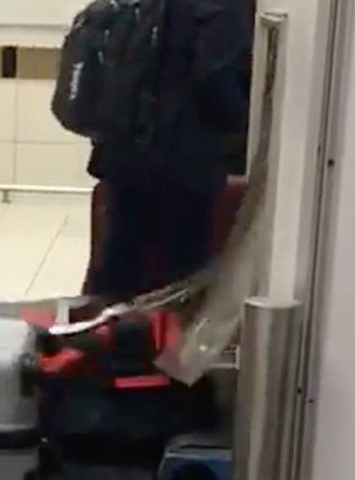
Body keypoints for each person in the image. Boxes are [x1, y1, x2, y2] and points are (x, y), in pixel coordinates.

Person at [84, 0, 253, 301]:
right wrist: (246, 122)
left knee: (119, 269)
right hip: (181, 163)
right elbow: (215, 78)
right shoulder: (226, 6)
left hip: (126, 151)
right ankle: (162, 342)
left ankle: (103, 338)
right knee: (180, 282)